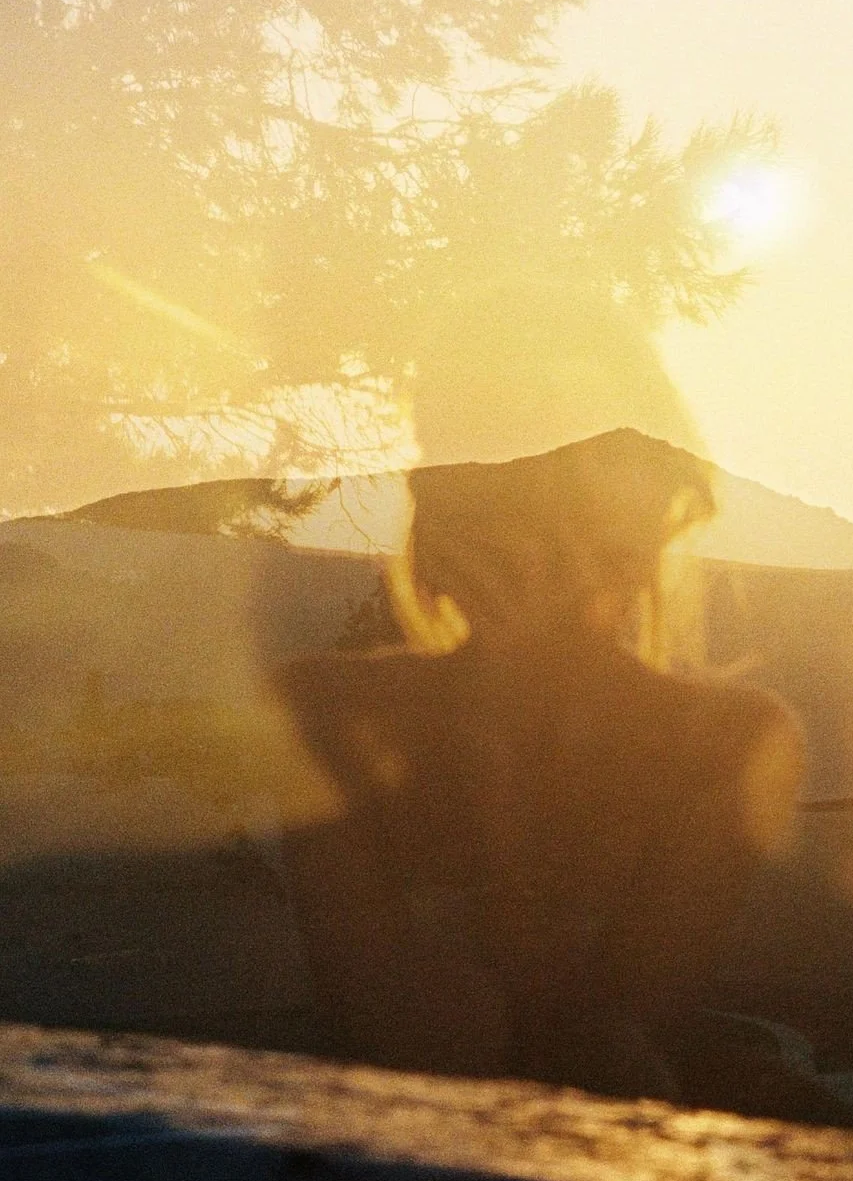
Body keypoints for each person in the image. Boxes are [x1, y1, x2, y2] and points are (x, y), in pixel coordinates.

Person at [276, 427, 815, 1109]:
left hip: (585, 1175)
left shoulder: (728, 743)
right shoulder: (330, 712)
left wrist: (508, 694)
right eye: (446, 479)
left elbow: (599, 1045)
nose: (467, 520)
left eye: (525, 500)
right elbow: (414, 1032)